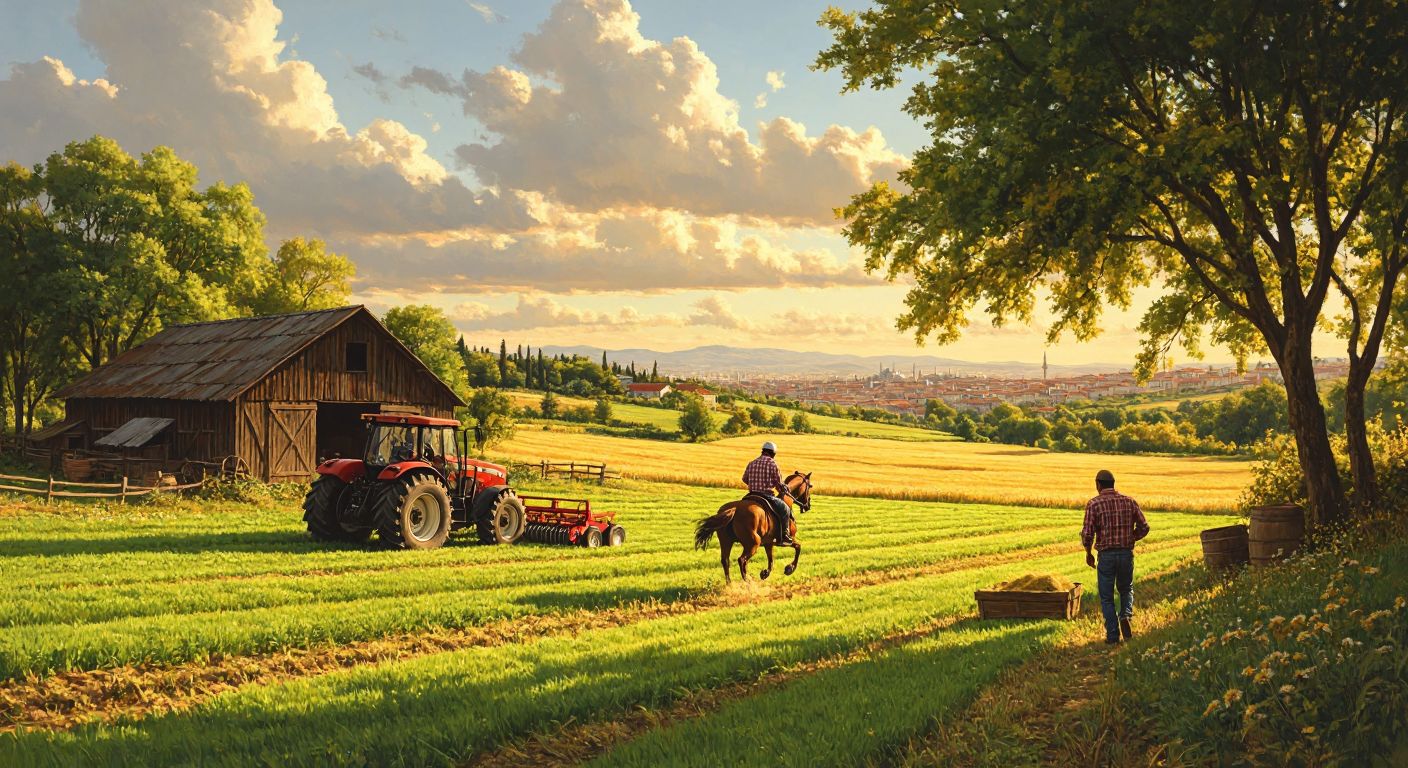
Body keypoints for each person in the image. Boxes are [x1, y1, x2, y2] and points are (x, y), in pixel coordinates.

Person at [1081, 469, 1150, 645]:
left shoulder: (1094, 504)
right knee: (1126, 589)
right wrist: (1131, 537)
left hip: (1106, 556)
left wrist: (1088, 553)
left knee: (1106, 596)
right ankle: (1125, 615)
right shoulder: (1129, 501)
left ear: (1098, 484)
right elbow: (1144, 527)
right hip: (1126, 554)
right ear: (1113, 484)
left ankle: (1113, 636)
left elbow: (1087, 534)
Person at [742, 441, 793, 545]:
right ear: (773, 453)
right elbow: (779, 483)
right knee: (785, 509)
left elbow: (744, 479)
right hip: (766, 495)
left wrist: (753, 483)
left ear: (763, 451)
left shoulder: (752, 463)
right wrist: (782, 490)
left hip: (751, 495)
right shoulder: (772, 464)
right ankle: (784, 535)